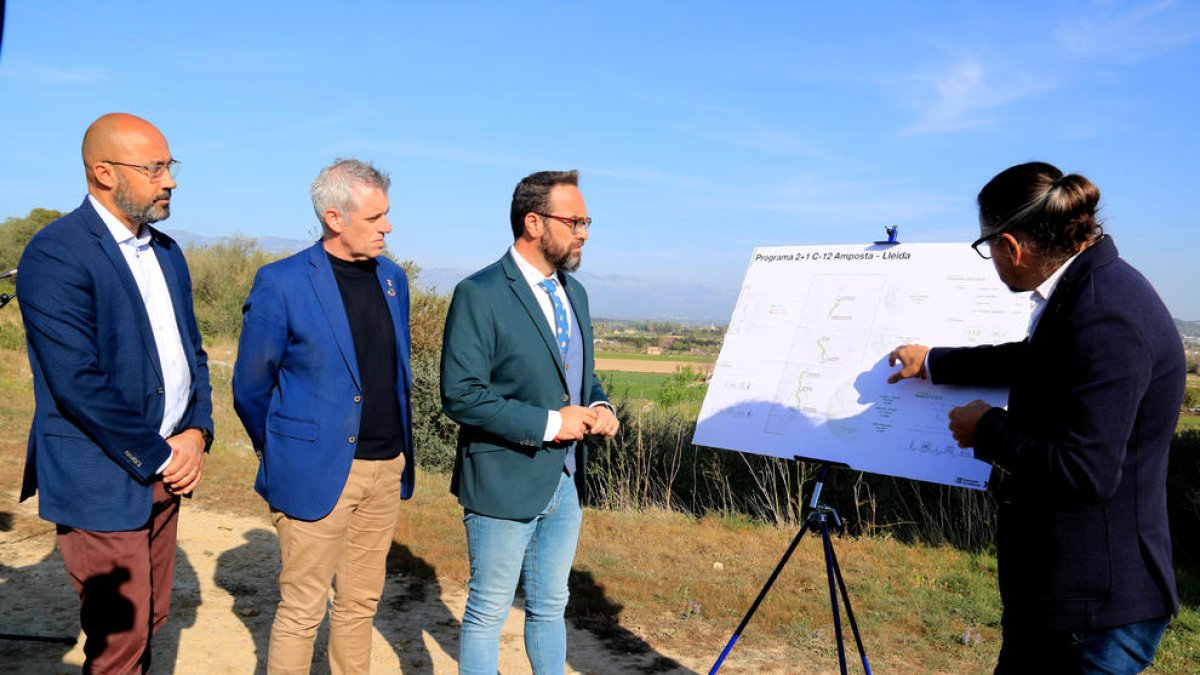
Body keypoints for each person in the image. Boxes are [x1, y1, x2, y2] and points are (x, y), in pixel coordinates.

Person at [888, 161, 1185, 674]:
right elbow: (1036, 357)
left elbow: (1085, 472)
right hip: (1065, 593)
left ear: (1012, 245)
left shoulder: (1105, 312)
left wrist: (987, 429)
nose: (991, 259)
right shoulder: (1089, 289)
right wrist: (934, 361)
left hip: (1093, 608)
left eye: (987, 247)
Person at [16, 112, 213, 673]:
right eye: (154, 169)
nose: (169, 180)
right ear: (104, 172)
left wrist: (197, 432)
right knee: (118, 639)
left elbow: (192, 355)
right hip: (102, 475)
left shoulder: (168, 252)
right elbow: (77, 382)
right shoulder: (57, 252)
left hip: (168, 471)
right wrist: (160, 455)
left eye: (169, 166)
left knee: (150, 620)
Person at [232, 158, 414, 674]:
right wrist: (285, 451)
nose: (388, 227)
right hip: (313, 472)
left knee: (360, 606)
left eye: (387, 214)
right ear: (335, 218)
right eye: (375, 217)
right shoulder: (282, 282)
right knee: (302, 610)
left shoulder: (394, 279)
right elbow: (250, 387)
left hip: (385, 471)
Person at [440, 170, 620, 674]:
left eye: (587, 221)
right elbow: (461, 395)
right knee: (487, 613)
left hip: (565, 482)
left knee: (550, 607)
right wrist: (549, 423)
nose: (583, 232)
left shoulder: (575, 294)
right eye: (575, 221)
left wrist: (600, 407)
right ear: (534, 222)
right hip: (502, 480)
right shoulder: (480, 293)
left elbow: (580, 379)